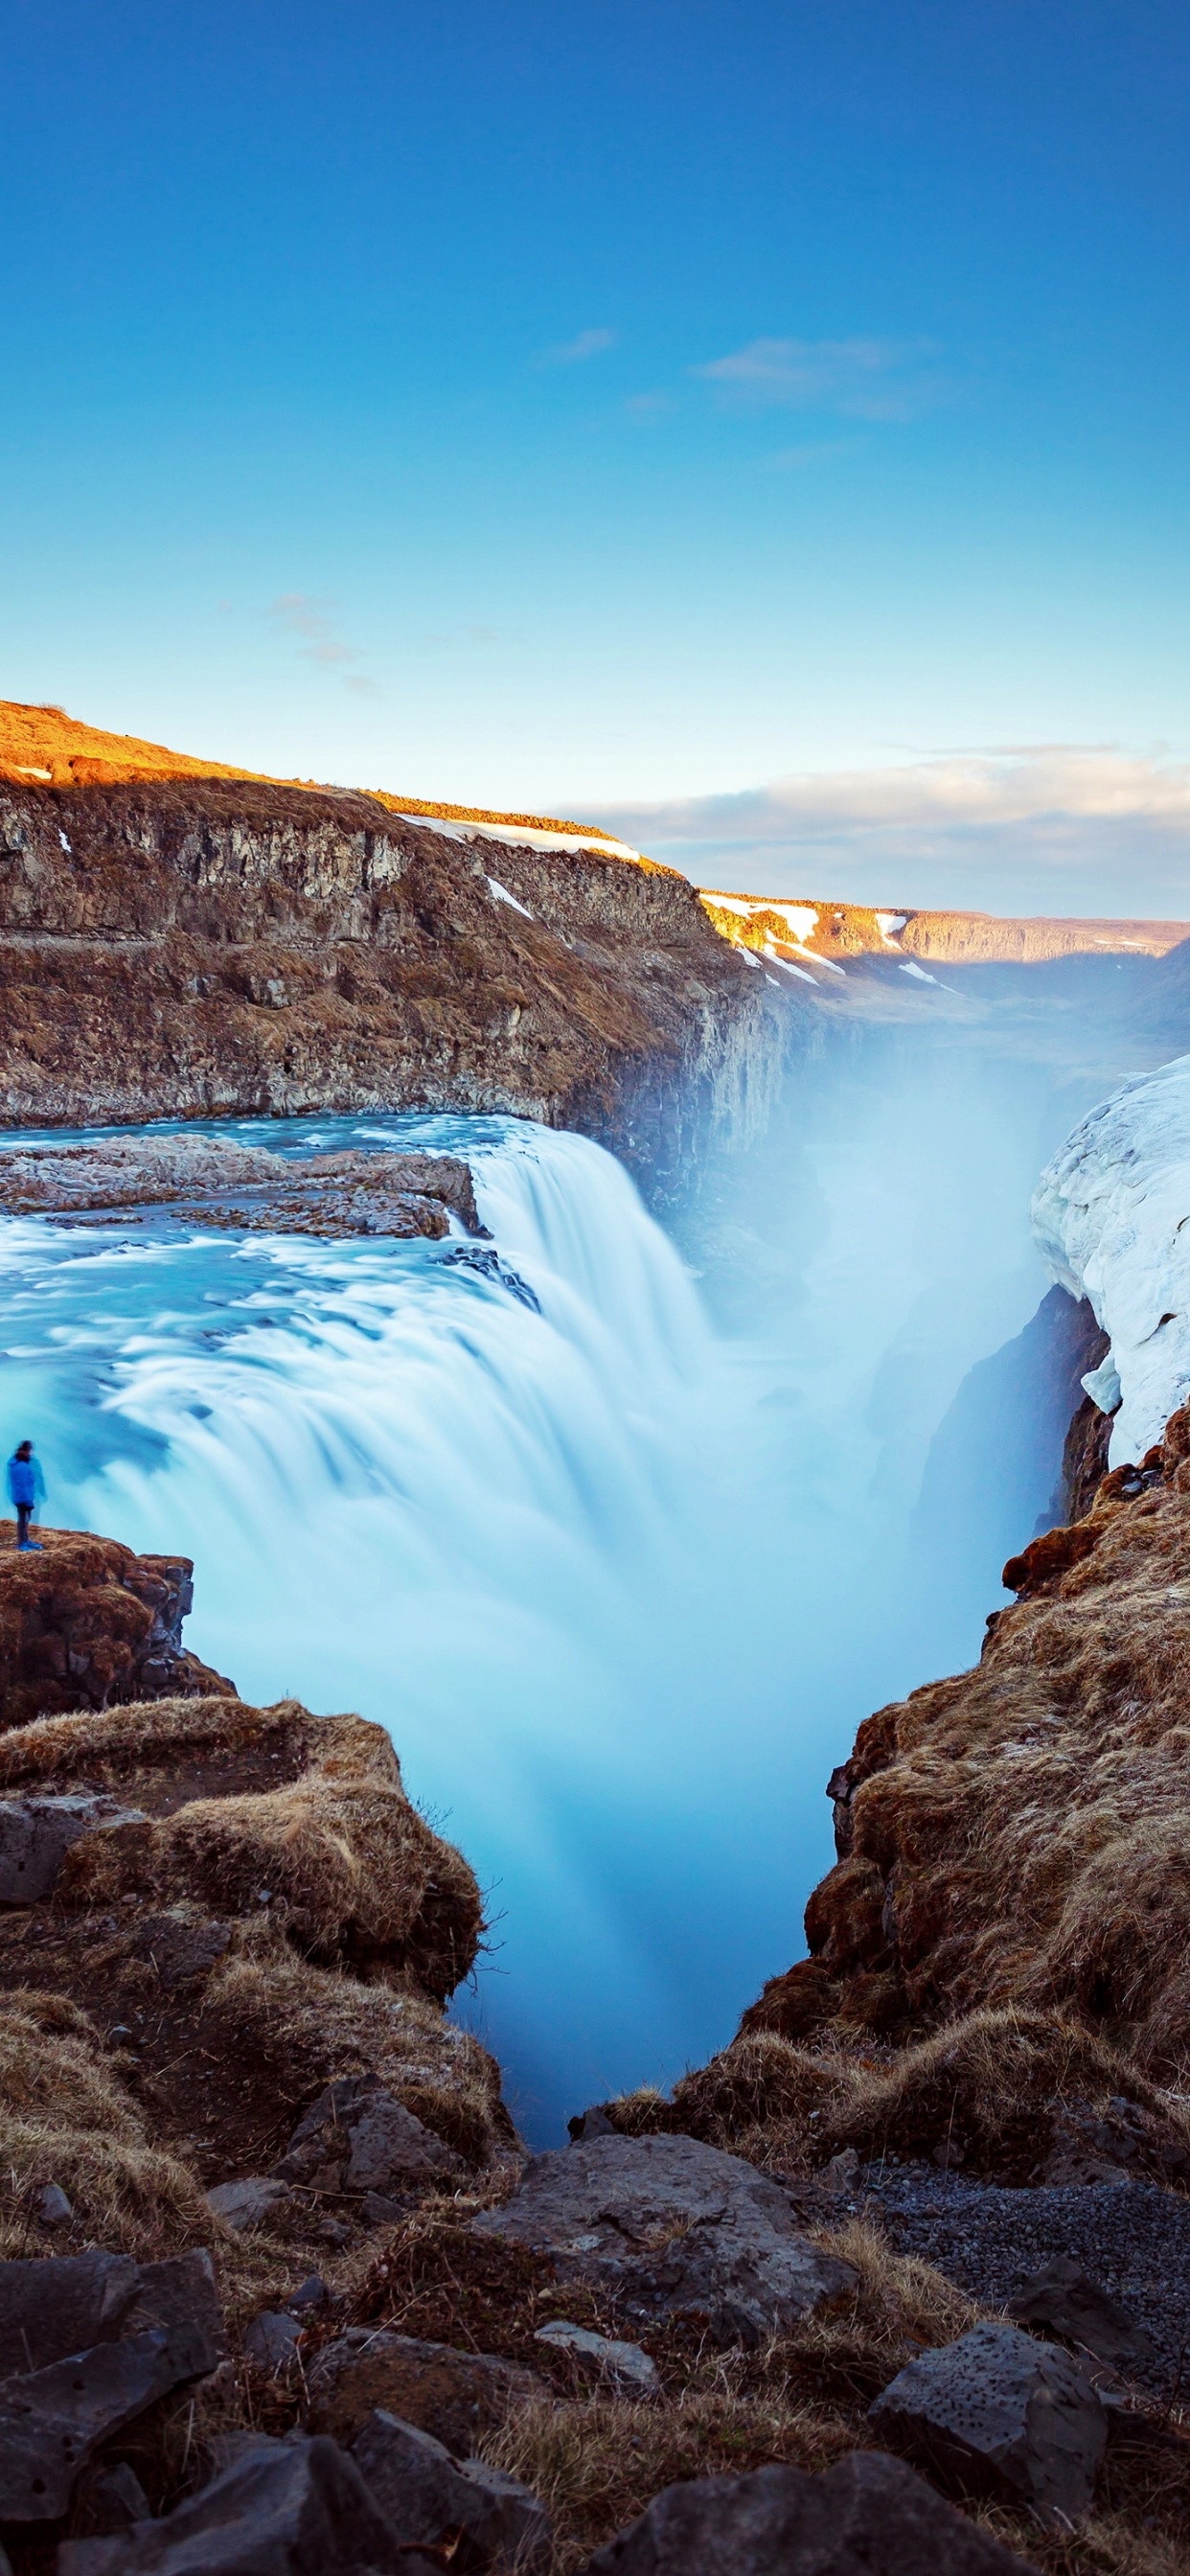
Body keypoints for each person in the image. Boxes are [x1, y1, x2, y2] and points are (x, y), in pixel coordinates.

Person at [7, 1440, 46, 1552]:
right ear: (23, 1451)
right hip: (23, 1498)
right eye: (28, 1450)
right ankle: (22, 1543)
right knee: (23, 1520)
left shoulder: (20, 1464)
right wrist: (27, 1501)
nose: (30, 1453)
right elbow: (22, 1485)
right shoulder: (21, 1466)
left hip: (23, 1497)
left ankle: (25, 1540)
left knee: (25, 1519)